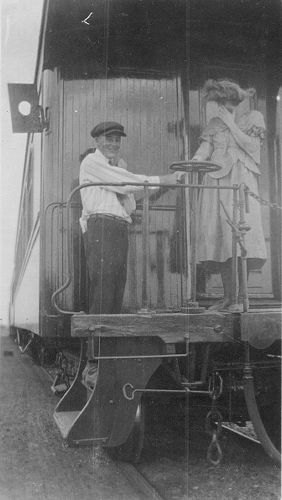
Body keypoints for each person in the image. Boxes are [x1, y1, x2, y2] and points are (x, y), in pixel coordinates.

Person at [79, 120, 179, 315]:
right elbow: (124, 183)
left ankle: (108, 335)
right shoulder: (92, 161)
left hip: (118, 227)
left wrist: (124, 175)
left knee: (117, 282)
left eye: (117, 140)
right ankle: (98, 335)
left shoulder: (114, 168)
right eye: (109, 139)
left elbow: (129, 204)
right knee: (104, 282)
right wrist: (163, 180)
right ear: (97, 140)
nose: (114, 144)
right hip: (101, 225)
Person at [192, 79, 267, 311]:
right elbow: (205, 150)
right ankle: (228, 297)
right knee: (222, 236)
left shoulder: (253, 118)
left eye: (230, 104)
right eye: (222, 104)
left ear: (239, 101)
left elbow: (252, 147)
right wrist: (194, 162)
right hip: (216, 181)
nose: (225, 108)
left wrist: (230, 123)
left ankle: (242, 298)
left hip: (240, 181)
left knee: (239, 234)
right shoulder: (214, 122)